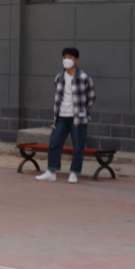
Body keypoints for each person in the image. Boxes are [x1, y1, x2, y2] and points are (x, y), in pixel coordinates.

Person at [36, 47, 96, 185]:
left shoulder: (84, 77)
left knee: (78, 146)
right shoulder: (59, 77)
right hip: (61, 116)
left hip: (77, 118)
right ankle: (51, 171)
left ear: (76, 60)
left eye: (70, 57)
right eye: (65, 57)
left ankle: (74, 172)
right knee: (54, 143)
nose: (67, 59)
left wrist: (83, 109)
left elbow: (91, 97)